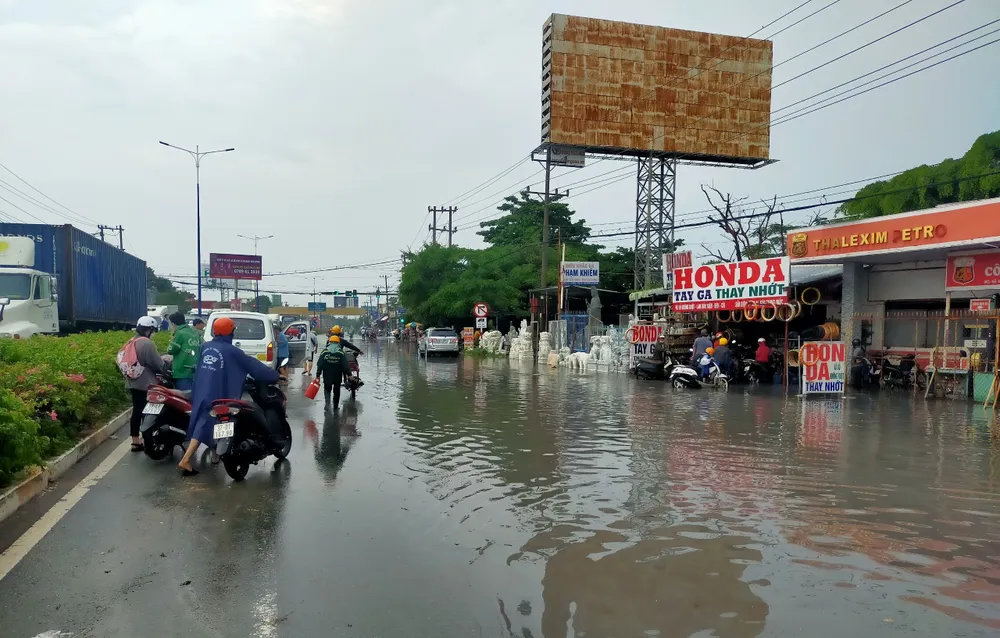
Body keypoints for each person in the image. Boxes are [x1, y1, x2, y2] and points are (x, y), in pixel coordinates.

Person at [177, 316, 280, 476]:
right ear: (230, 332)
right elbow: (253, 366)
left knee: (208, 421)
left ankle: (215, 455)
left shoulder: (206, 346)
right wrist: (274, 375)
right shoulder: (233, 351)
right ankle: (186, 459)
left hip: (202, 390)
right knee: (208, 422)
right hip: (218, 393)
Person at [117, 316, 168, 452]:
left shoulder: (131, 341)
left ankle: (135, 441)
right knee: (148, 411)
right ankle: (146, 440)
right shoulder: (146, 343)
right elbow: (157, 364)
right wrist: (166, 369)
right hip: (145, 383)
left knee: (137, 410)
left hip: (131, 381)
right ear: (149, 329)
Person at [166, 312, 201, 391]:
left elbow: (171, 350)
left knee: (182, 397)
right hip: (194, 371)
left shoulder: (179, 333)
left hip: (182, 371)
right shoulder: (194, 333)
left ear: (173, 323)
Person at [317, 335, 348, 411]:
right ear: (338, 343)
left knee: (327, 389)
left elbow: (320, 364)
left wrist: (318, 374)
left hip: (327, 376)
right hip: (337, 376)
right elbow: (345, 365)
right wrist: (348, 375)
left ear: (329, 342)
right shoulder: (341, 352)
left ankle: (327, 405)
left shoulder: (325, 352)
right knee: (336, 391)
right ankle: (335, 406)